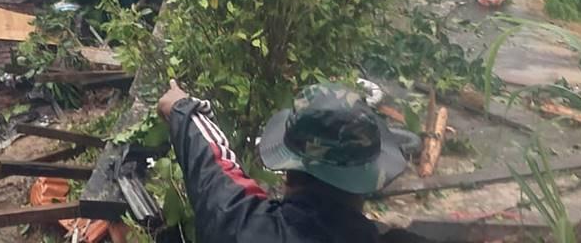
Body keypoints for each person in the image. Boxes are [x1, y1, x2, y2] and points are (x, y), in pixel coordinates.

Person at [158, 79, 413, 243]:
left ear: (290, 169)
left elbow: (213, 169)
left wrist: (182, 109)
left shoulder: (242, 228)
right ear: (369, 178)